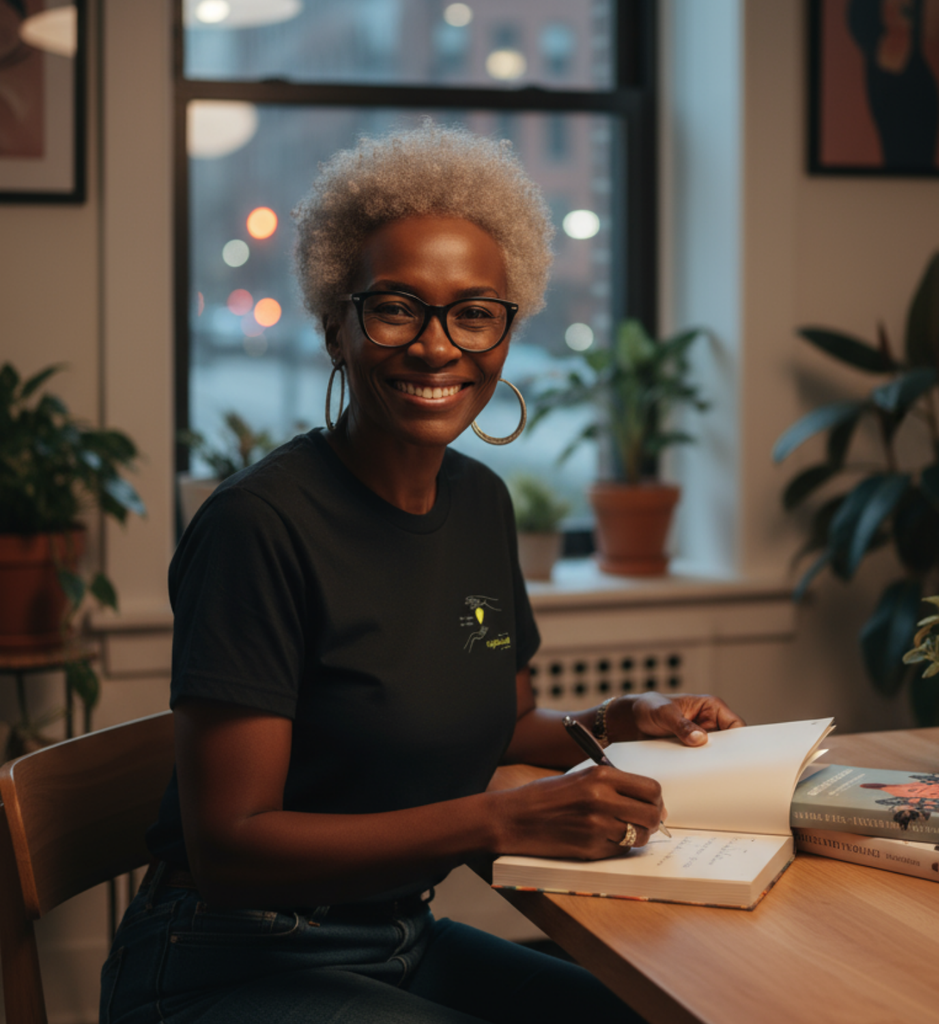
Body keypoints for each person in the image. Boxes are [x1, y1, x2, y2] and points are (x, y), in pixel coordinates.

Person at [100, 124, 744, 1024]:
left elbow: (506, 722)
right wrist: (499, 822)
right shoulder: (259, 525)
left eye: (473, 312)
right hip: (227, 959)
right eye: (396, 306)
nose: (437, 346)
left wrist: (621, 722)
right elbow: (230, 848)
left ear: (506, 336)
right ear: (336, 325)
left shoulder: (480, 503)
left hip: (397, 936)